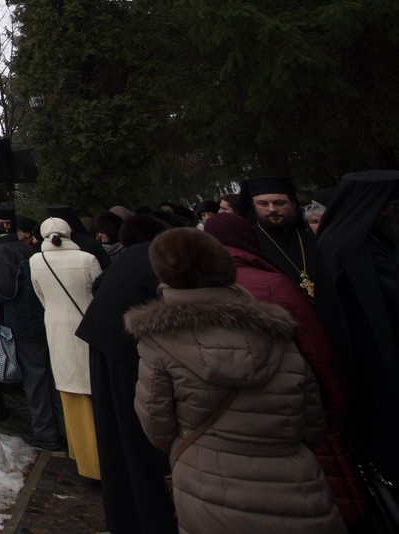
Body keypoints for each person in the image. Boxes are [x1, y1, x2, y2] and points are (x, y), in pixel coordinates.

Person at [126, 228, 343, 534]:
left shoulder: (159, 341)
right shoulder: (276, 332)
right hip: (296, 485)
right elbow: (311, 418)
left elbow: (155, 422)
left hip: (206, 482)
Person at [203, 211, 365, 524]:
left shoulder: (187, 290)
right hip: (295, 405)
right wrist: (338, 402)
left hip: (230, 422)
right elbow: (318, 349)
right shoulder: (271, 282)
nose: (272, 209)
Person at [75, 213, 176, 534]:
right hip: (131, 359)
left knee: (118, 445)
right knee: (143, 448)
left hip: (106, 351)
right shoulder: (154, 260)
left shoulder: (127, 260)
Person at [314, 170, 399, 499]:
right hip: (377, 362)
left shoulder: (367, 238)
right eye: (390, 208)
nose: (393, 215)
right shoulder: (347, 247)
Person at [31, 216, 103, 481]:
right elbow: (99, 294)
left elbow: (41, 296)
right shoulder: (87, 259)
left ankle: (81, 455)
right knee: (94, 389)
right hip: (88, 327)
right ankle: (101, 458)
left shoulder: (36, 261)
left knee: (70, 391)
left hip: (57, 329)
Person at [0, 216, 65, 452]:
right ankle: (63, 430)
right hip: (44, 318)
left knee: (35, 379)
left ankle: (45, 432)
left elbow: (6, 290)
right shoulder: (29, 249)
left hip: (24, 321)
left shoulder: (1, 252)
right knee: (50, 377)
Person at [242, 176, 321, 301]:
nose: (272, 209)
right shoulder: (249, 241)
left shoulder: (309, 235)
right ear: (253, 206)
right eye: (263, 204)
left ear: (292, 203)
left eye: (279, 203)